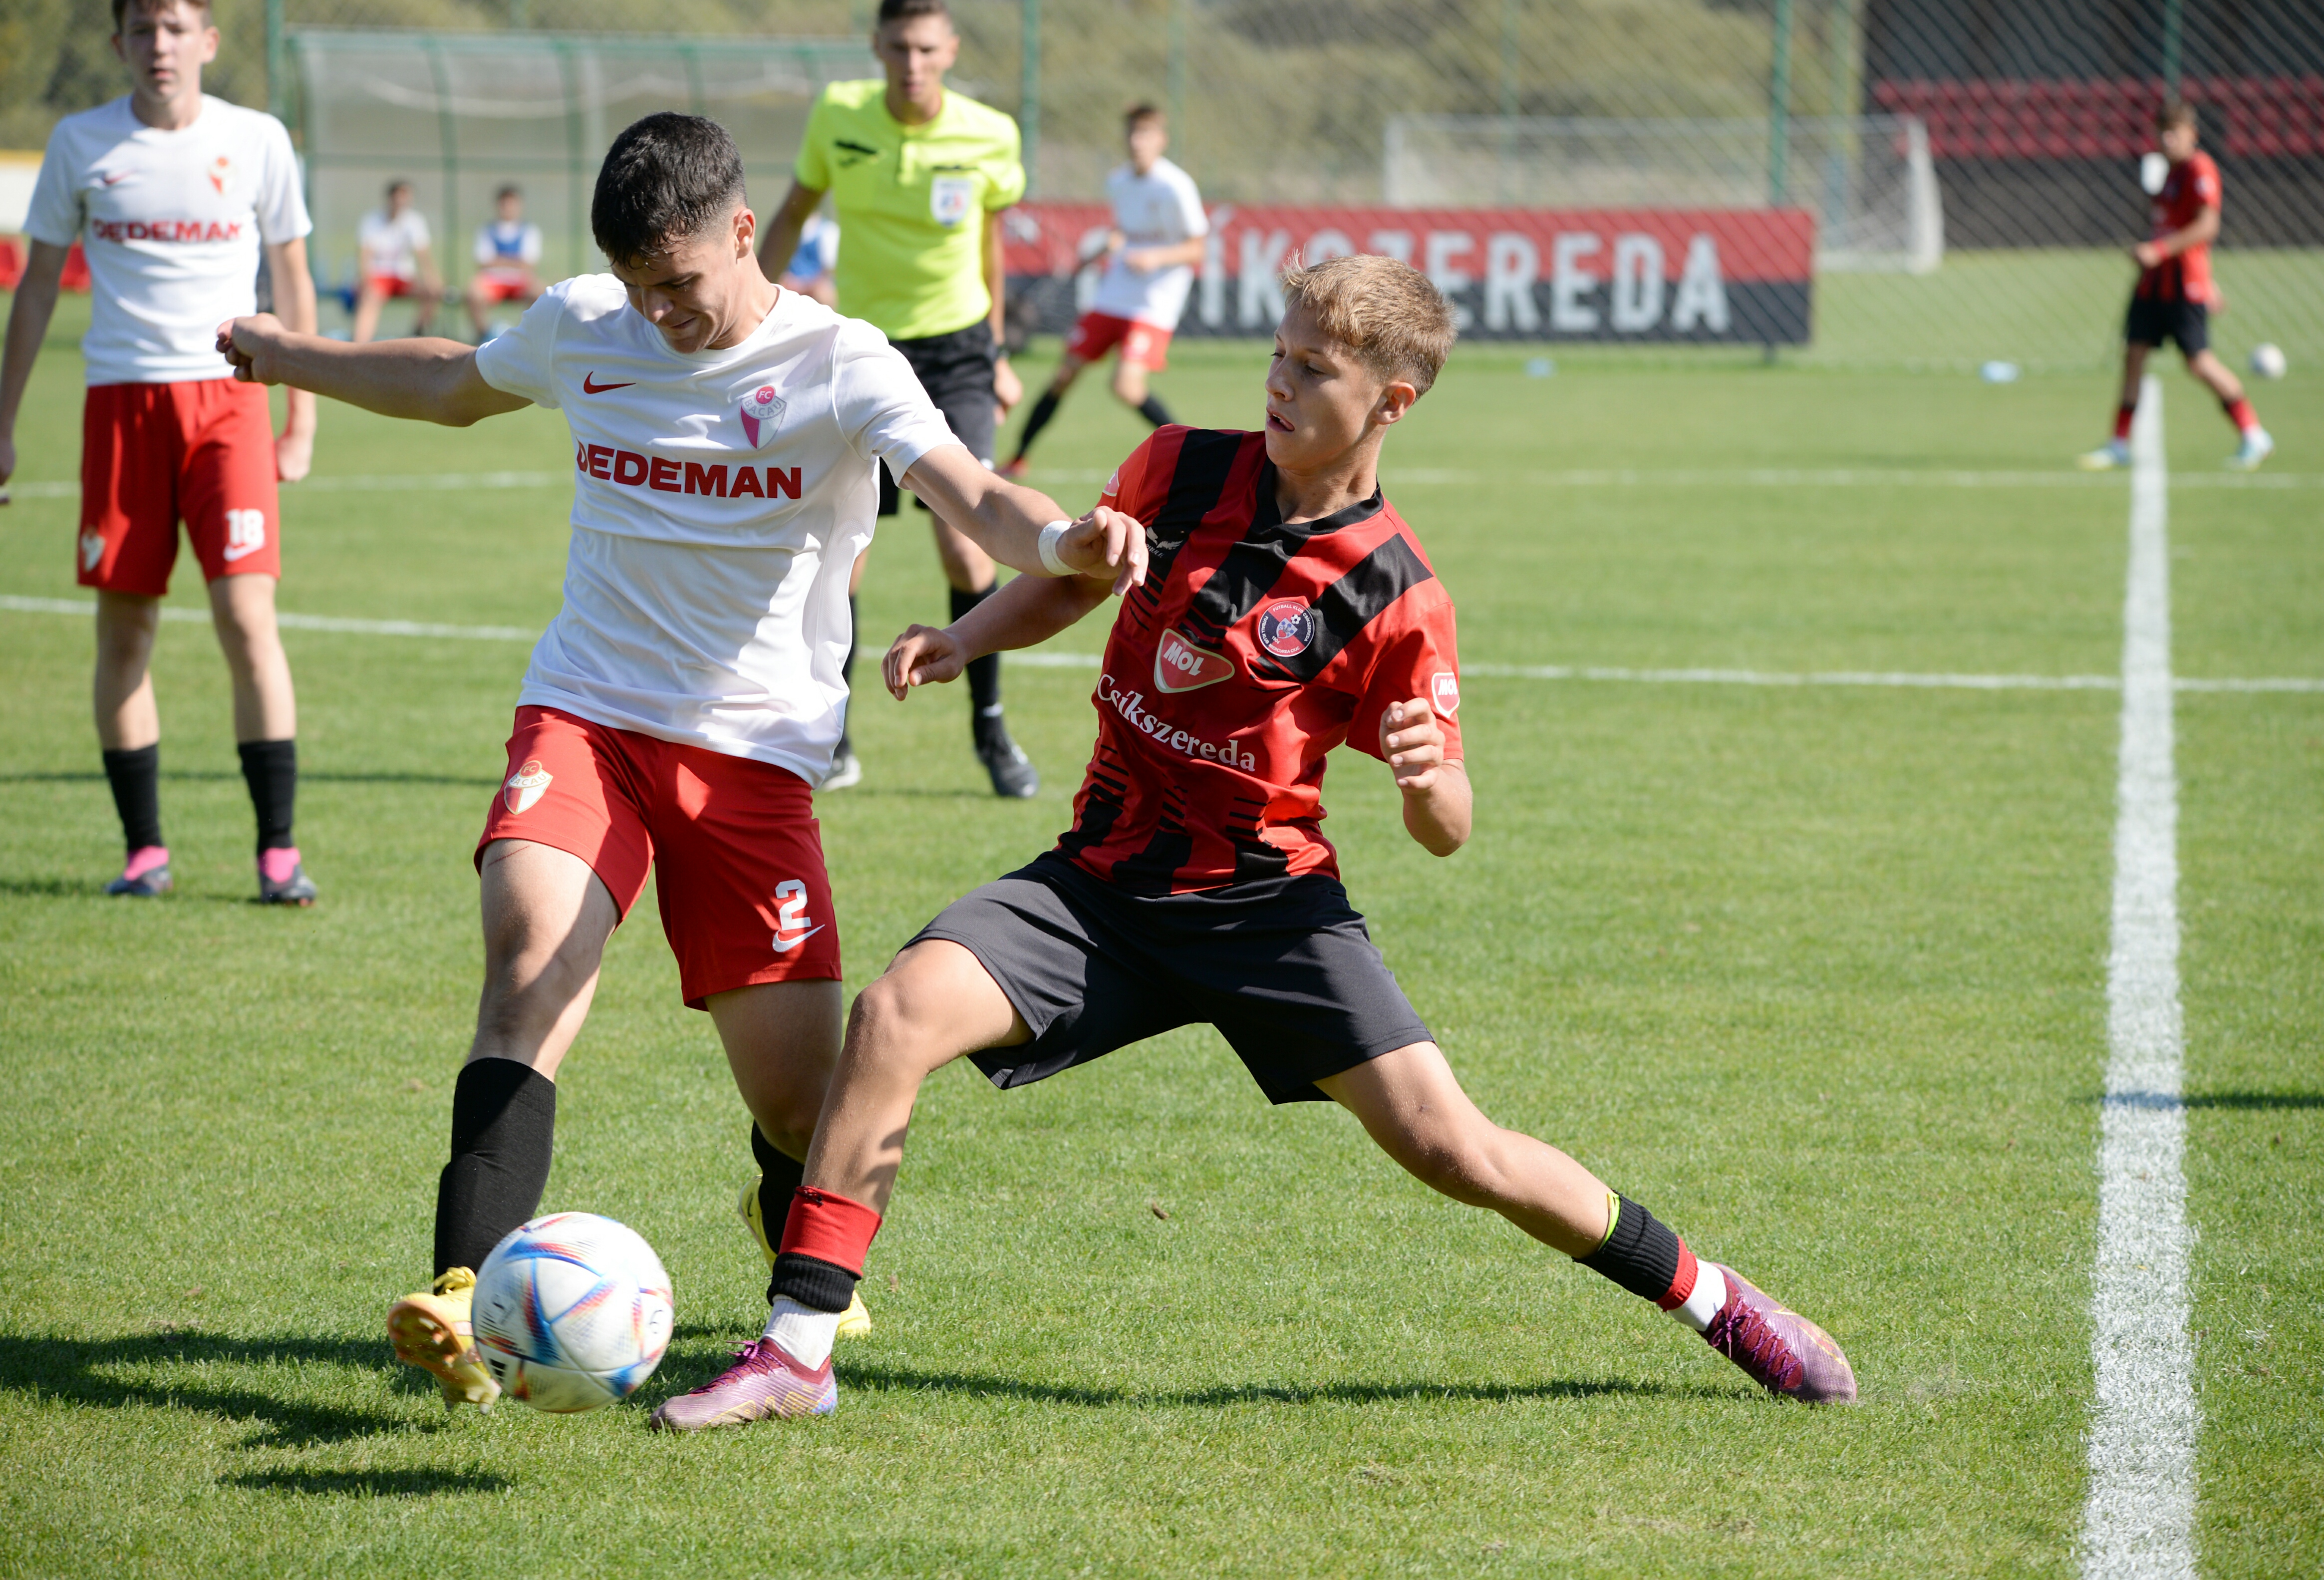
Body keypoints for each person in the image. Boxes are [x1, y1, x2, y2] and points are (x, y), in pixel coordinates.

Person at [649, 254, 1859, 1431]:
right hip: (1100, 888)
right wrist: (973, 638)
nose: (1278, 385)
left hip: (1267, 913)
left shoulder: (1395, 591)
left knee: (1454, 1148)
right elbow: (1077, 580)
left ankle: (1716, 1300)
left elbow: (1449, 832)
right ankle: (800, 1349)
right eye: (1278, 358)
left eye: (1314, 370)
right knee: (896, 1013)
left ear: (1394, 401)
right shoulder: (1176, 468)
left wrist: (1435, 781)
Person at [216, 111, 1147, 1412]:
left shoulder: (838, 360)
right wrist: (282, 354)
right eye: (640, 288)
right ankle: (459, 1290)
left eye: (683, 286)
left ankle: (790, 1221)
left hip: (753, 755)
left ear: (743, 233)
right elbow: (445, 385)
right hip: (586, 713)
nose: (660, 316)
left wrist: (1061, 546)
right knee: (527, 960)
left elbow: (972, 491)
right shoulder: (585, 323)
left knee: (793, 1100)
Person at [0, 0, 321, 906]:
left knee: (247, 621)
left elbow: (292, 279)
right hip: (120, 407)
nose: (159, 46)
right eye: (142, 30)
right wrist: (4, 421)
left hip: (231, 403)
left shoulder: (258, 140)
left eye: (176, 28)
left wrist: (304, 417)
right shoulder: (79, 142)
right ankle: (144, 852)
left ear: (208, 41)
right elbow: (32, 294)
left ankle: (278, 854)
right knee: (125, 630)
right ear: (119, 46)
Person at [758, 0, 1037, 798]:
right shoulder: (838, 116)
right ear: (876, 48)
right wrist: (753, 321)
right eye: (897, 48)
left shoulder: (990, 134)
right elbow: (791, 214)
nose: (911, 63)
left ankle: (990, 730)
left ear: (949, 49)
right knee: (844, 557)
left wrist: (997, 350)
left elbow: (988, 245)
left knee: (965, 544)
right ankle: (831, 732)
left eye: (925, 47)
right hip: (859, 355)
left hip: (956, 355)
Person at [1004, 102, 1204, 481]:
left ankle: (1195, 457)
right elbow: (1125, 231)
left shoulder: (1175, 185)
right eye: (1131, 133)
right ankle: (1017, 457)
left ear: (1161, 140)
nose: (1136, 141)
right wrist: (1095, 252)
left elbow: (1197, 248)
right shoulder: (1119, 181)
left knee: (1125, 387)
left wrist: (1156, 257)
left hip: (1152, 302)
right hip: (1114, 295)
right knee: (1063, 375)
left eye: (1145, 134)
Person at [2079, 99, 2272, 472]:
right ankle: (2118, 443)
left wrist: (2160, 251)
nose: (2168, 140)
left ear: (2192, 136)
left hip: (2183, 283)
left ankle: (2254, 433)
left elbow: (2206, 227)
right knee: (2133, 354)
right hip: (2154, 284)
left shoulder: (2200, 169)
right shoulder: (2167, 173)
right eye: (2162, 133)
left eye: (2175, 133)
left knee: (2199, 363)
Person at [352, 179, 438, 344]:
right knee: (370, 298)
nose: (401, 202)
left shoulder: (415, 221)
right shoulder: (371, 220)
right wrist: (366, 281)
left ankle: (417, 337)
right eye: (398, 197)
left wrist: (431, 279)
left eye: (405, 197)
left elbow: (423, 255)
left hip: (403, 278)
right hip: (379, 276)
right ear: (390, 198)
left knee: (432, 292)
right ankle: (359, 347)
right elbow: (365, 256)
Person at [465, 184, 543, 342]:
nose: (508, 208)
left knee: (541, 293)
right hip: (494, 280)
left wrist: (499, 260)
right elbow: (484, 263)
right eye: (505, 203)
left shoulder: (530, 231)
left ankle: (531, 338)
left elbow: (528, 265)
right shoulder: (487, 230)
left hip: (520, 281)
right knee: (473, 293)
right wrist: (514, 261)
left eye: (512, 203)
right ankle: (484, 336)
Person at [780, 211, 839, 309]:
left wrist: (803, 286)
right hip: (789, 287)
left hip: (815, 291)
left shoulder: (828, 231)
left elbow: (829, 273)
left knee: (823, 292)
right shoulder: (784, 231)